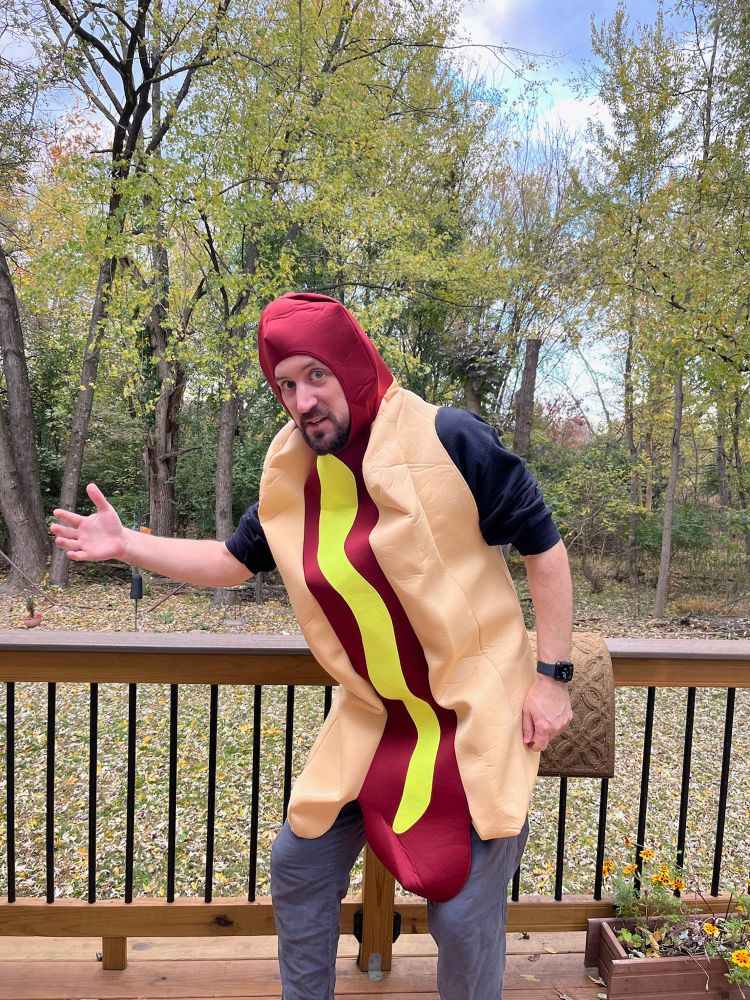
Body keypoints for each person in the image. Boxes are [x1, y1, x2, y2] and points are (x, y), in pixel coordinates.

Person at [51, 291, 573, 1000]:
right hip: (375, 718)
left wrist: (552, 676)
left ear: (353, 366)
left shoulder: (449, 438)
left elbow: (544, 546)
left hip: (474, 713)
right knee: (299, 863)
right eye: (286, 385)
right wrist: (127, 545)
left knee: (460, 913)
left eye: (315, 376)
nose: (302, 400)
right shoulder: (293, 474)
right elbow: (234, 561)